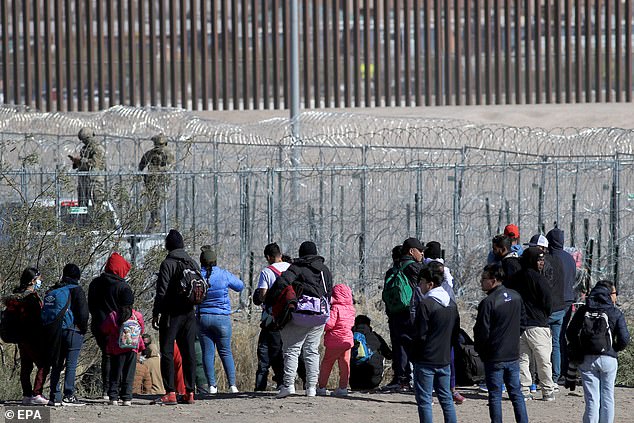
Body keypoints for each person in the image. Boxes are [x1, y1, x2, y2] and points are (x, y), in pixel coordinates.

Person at [265, 241, 333, 398]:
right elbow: (329, 292)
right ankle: (311, 388)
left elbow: (282, 282)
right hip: (320, 315)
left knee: (292, 350)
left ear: (301, 253)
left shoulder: (297, 267)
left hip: (300, 315)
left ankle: (288, 385)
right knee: (312, 351)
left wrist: (270, 300)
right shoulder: (324, 270)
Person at [566, 280, 630, 423]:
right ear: (609, 294)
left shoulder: (583, 310)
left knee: (592, 400)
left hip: (587, 359)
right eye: (614, 293)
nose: (616, 296)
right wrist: (614, 349)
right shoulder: (615, 312)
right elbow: (625, 338)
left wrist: (579, 348)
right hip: (609, 359)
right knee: (608, 397)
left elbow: (570, 332)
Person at [474, 264, 529, 423]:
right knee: (516, 393)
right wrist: (512, 338)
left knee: (495, 395)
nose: (481, 282)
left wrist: (482, 350)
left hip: (494, 356)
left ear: (494, 280)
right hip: (512, 354)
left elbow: (482, 331)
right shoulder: (516, 297)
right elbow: (523, 322)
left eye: (484, 279)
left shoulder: (489, 302)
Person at [151, 229, 199, 405]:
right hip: (190, 313)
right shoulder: (192, 263)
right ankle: (190, 392)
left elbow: (161, 291)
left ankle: (170, 392)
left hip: (172, 314)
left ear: (167, 245)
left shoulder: (168, 263)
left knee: (167, 352)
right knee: (189, 353)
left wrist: (156, 313)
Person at [407, 263, 460, 423]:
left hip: (425, 360)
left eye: (422, 282)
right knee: (446, 399)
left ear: (430, 284)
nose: (420, 285)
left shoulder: (426, 304)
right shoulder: (451, 304)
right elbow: (455, 333)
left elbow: (420, 334)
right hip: (444, 359)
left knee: (424, 401)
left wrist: (414, 355)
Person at [505, 247, 556, 401]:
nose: (541, 263)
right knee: (543, 360)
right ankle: (547, 390)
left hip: (520, 325)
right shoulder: (539, 279)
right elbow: (548, 302)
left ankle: (524, 389)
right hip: (538, 325)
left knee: (523, 359)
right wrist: (544, 315)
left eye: (542, 260)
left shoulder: (515, 278)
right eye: (539, 260)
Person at [196, 245, 244, 393]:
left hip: (203, 317)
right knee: (225, 352)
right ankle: (232, 386)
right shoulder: (223, 274)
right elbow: (240, 286)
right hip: (222, 318)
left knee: (208, 353)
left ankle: (211, 386)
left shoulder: (198, 275)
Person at [87, 252, 133, 399]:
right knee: (118, 356)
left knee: (106, 355)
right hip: (117, 328)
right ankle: (116, 389)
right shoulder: (122, 287)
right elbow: (128, 310)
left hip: (98, 325)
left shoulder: (94, 283)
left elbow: (91, 306)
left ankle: (107, 390)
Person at [423, 241, 464, 404]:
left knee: (432, 355)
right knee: (448, 354)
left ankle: (437, 390)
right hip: (449, 312)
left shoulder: (432, 270)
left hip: (436, 311)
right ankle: (450, 389)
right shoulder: (445, 270)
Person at [383, 237, 424, 391]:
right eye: (420, 251)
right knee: (416, 345)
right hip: (411, 312)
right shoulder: (415, 268)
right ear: (411, 251)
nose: (422, 254)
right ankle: (419, 380)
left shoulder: (393, 269)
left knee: (400, 347)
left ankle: (402, 380)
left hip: (395, 313)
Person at [4, 268, 49, 405]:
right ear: (32, 280)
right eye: (38, 279)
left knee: (26, 366)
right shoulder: (31, 298)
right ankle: (37, 393)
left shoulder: (16, 296)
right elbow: (37, 317)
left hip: (20, 337)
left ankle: (27, 394)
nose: (39, 282)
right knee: (44, 364)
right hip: (32, 336)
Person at [47, 263, 89, 406]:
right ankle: (69, 395)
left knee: (57, 364)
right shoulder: (77, 290)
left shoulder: (55, 290)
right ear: (77, 276)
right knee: (71, 364)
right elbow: (83, 314)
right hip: (73, 331)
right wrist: (82, 329)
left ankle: (54, 396)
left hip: (55, 332)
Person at [253, 242, 290, 391]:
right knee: (286, 351)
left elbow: (262, 296)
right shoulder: (291, 269)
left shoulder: (267, 272)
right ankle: (285, 382)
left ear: (268, 257)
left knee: (265, 350)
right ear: (280, 254)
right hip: (289, 317)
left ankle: (261, 385)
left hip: (271, 319)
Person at [546, 227, 578, 385]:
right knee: (560, 337)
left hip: (554, 303)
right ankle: (562, 371)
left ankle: (553, 372)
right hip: (568, 301)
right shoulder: (569, 258)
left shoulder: (549, 257)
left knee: (549, 339)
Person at [100, 301, 145, 406]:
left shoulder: (113, 315)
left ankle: (113, 397)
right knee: (129, 373)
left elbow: (104, 329)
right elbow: (141, 330)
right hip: (132, 348)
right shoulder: (137, 315)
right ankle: (127, 398)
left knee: (115, 372)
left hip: (116, 348)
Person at [317, 284, 356, 396]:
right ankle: (343, 388)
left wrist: (322, 324)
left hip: (335, 340)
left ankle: (322, 387)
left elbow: (330, 324)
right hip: (347, 340)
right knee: (345, 364)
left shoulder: (335, 308)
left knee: (327, 363)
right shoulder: (351, 308)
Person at [138, 134, 174, 233]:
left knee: (157, 205)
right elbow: (142, 163)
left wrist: (158, 170)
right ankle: (153, 224)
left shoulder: (167, 153)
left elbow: (170, 167)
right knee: (152, 204)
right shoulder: (151, 153)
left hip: (161, 183)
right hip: (151, 182)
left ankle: (156, 225)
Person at [349, 315, 392, 391]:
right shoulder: (375, 336)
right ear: (369, 324)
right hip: (373, 380)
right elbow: (389, 355)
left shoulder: (350, 337)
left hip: (355, 381)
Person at [68, 127, 105, 210]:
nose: (83, 142)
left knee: (98, 206)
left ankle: (97, 222)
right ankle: (83, 221)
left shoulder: (98, 149)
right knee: (82, 206)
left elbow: (95, 163)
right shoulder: (84, 149)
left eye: (85, 139)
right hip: (83, 180)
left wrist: (81, 160)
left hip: (95, 181)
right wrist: (76, 162)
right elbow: (82, 164)